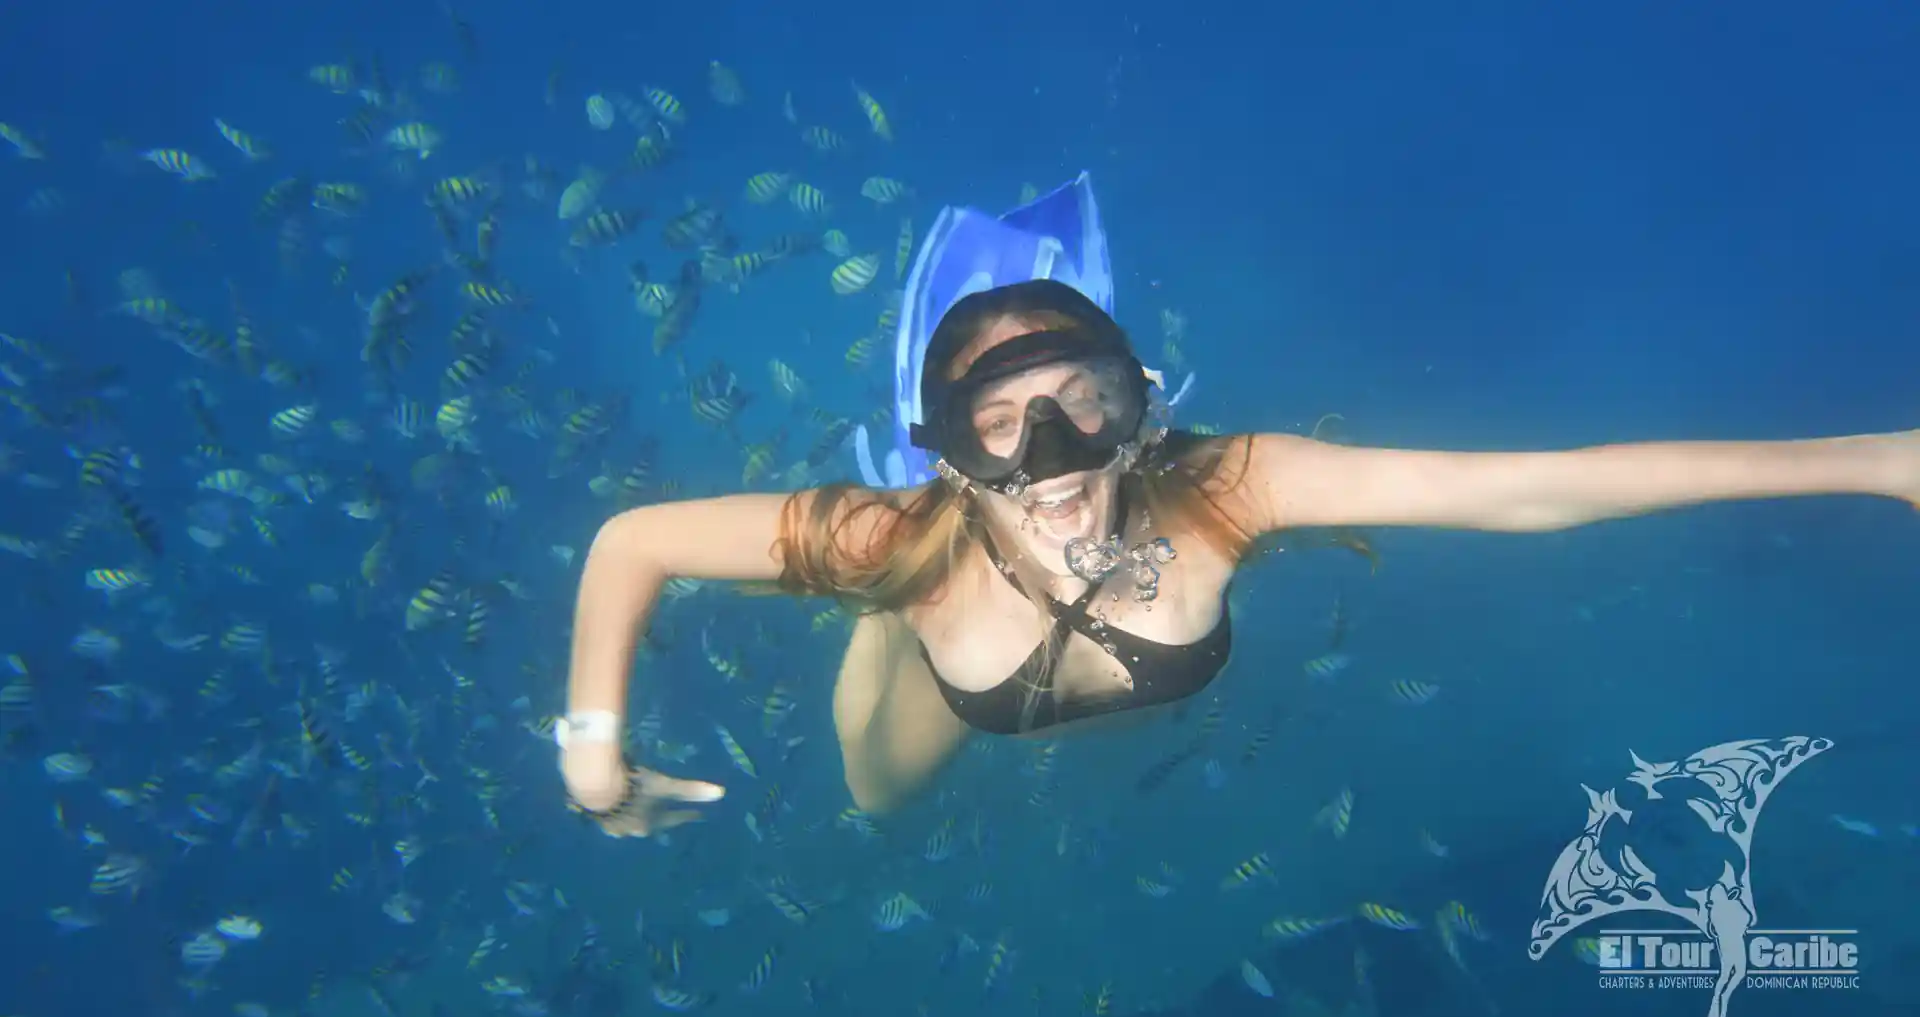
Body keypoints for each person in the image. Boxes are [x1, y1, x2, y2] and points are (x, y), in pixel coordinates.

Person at [557, 183, 1920, 837]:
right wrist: (592, 754)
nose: (1058, 451)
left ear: (1138, 397)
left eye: (1084, 403)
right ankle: (869, 610)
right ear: (956, 455)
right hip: (932, 597)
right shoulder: (903, 541)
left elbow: (1533, 488)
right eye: (1002, 428)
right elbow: (632, 543)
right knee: (875, 800)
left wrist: (1877, 460)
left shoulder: (1224, 491)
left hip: (1005, 577)